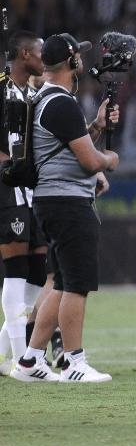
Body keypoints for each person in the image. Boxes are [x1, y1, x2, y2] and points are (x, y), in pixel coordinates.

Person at [11, 34, 119, 383]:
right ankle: (74, 361)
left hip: (52, 199)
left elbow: (68, 146)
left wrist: (98, 126)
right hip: (67, 202)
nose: (83, 61)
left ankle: (30, 359)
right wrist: (110, 160)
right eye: (80, 56)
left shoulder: (48, 100)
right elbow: (89, 161)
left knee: (59, 282)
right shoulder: (61, 103)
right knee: (76, 283)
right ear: (72, 61)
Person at [0, 31, 47, 374]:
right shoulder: (1, 87)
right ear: (25, 54)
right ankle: (22, 361)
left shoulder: (32, 93)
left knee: (36, 269)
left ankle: (8, 354)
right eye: (40, 52)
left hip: (32, 191)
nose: (43, 58)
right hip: (7, 189)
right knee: (15, 270)